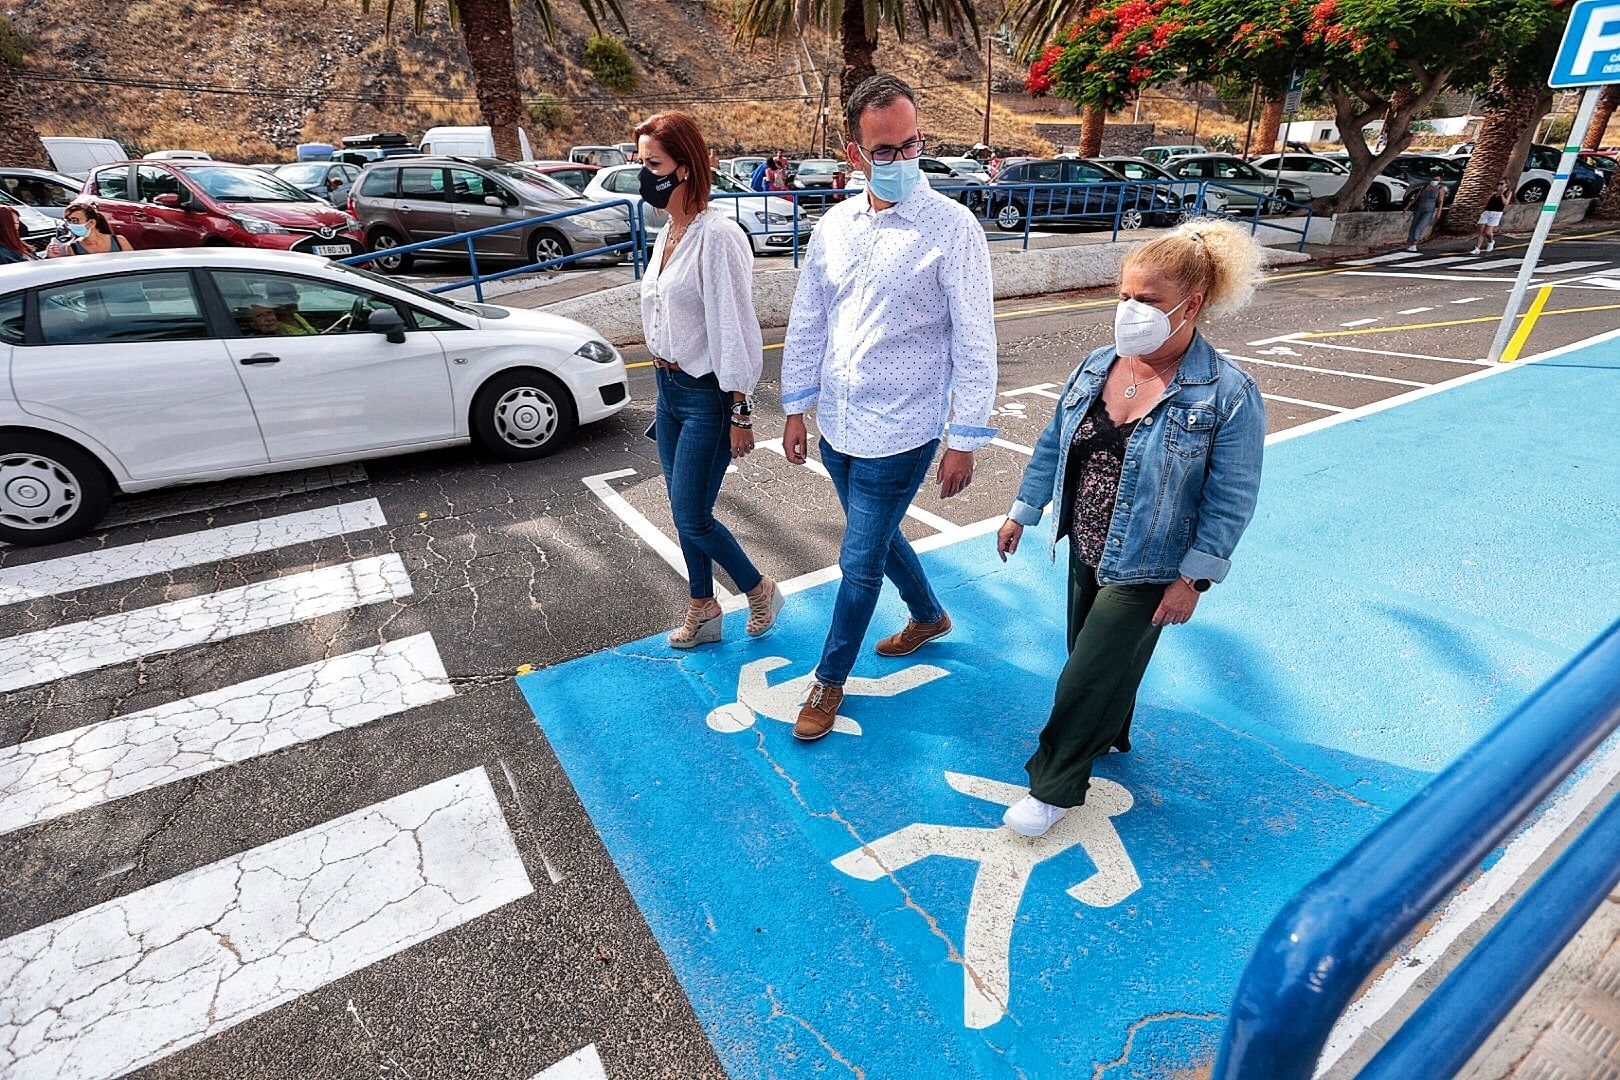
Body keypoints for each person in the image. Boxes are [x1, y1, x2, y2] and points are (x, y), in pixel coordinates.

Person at [994, 220, 1267, 838]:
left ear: (1190, 305)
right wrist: (1023, 510)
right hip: (1087, 546)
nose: (1129, 311)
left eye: (1146, 300)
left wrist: (1193, 580)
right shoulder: (1099, 365)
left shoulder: (1225, 395)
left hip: (1152, 564)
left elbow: (1232, 499)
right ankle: (1111, 732)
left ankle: (1054, 785)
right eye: (1124, 296)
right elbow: (1053, 444)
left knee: (1084, 677)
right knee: (1094, 660)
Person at [780, 74, 998, 741]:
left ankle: (829, 680)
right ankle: (929, 614)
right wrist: (796, 405)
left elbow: (976, 337)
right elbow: (809, 317)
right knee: (877, 536)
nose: (902, 161)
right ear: (855, 154)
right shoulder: (835, 226)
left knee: (859, 559)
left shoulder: (952, 228)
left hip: (903, 429)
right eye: (885, 151)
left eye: (911, 145)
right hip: (838, 427)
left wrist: (964, 435)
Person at [636, 110, 783, 648]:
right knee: (683, 513)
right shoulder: (668, 233)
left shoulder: (717, 236)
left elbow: (734, 326)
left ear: (685, 168)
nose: (643, 173)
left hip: (707, 398)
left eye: (653, 163)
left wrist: (740, 411)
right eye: (640, 161)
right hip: (666, 392)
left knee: (694, 516)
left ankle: (758, 587)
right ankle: (703, 607)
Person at [46, 202, 133, 257]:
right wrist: (54, 258)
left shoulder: (119, 241)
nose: (71, 225)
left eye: (75, 221)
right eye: (68, 221)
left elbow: (133, 265)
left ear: (91, 223)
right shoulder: (73, 248)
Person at [1405, 174, 1447, 252]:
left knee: (1421, 226)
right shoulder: (1424, 187)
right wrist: (1407, 207)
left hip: (1429, 210)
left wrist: (1439, 212)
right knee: (1414, 225)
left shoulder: (1440, 189)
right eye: (1433, 179)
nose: (1434, 181)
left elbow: (1441, 201)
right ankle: (1410, 241)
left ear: (1440, 181)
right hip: (1419, 208)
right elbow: (1416, 198)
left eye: (1437, 180)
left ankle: (1415, 243)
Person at [1472, 179, 1510, 255]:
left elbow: (1506, 203)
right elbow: (1487, 201)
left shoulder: (1508, 192)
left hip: (1496, 213)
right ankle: (1477, 248)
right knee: (1481, 231)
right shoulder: (1494, 192)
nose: (1499, 185)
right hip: (1487, 211)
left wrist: (1502, 194)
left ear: (1506, 184)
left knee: (1488, 232)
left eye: (1502, 184)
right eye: (1498, 183)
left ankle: (1491, 241)